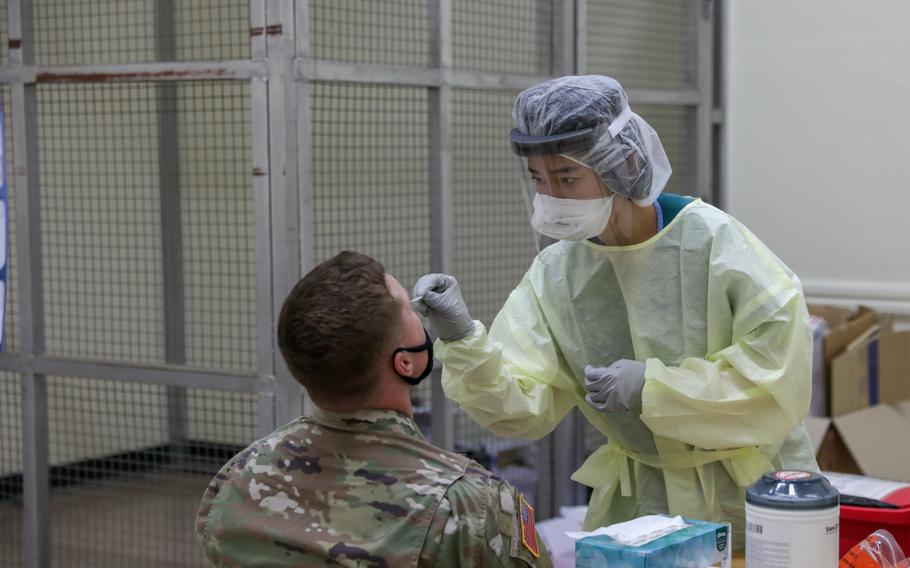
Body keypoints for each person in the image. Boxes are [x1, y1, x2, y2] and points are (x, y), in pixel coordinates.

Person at [413, 75, 818, 547]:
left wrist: (655, 388)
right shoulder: (559, 272)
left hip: (752, 499)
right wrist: (461, 338)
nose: (551, 197)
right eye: (539, 180)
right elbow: (522, 410)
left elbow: (776, 385)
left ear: (623, 163)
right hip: (640, 507)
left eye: (567, 178)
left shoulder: (717, 247)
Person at [195, 251, 552, 567]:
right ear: (405, 364)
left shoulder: (240, 476)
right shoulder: (468, 505)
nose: (419, 316)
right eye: (409, 310)